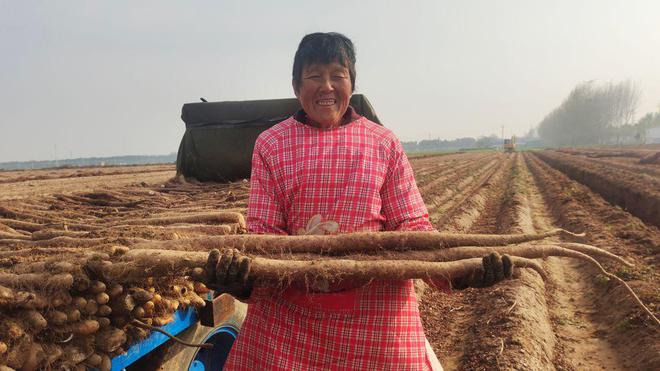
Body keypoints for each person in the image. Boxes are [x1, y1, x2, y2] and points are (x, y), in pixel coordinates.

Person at [205, 32, 512, 370]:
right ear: (296, 86)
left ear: (352, 83)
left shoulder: (383, 142)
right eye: (314, 76)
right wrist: (244, 278)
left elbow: (412, 226)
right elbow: (264, 233)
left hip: (376, 315)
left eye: (338, 75)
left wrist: (456, 272)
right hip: (292, 319)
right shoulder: (271, 144)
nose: (327, 86)